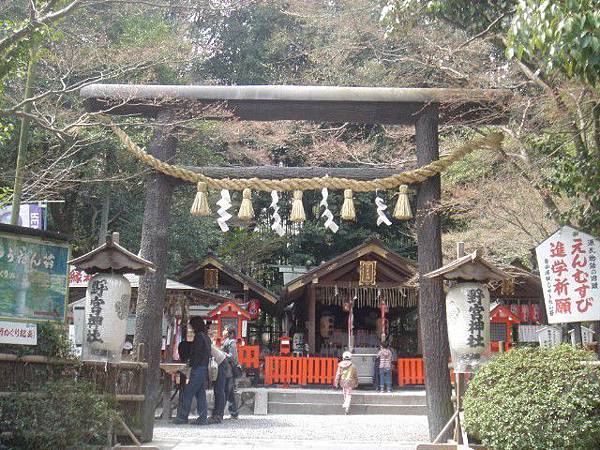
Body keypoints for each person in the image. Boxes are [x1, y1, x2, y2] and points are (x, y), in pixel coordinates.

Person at [173, 317, 211, 425]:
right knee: (200, 394)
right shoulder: (206, 337)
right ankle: (203, 418)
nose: (191, 328)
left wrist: (190, 363)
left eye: (191, 325)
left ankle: (183, 417)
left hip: (198, 368)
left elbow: (197, 354)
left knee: (188, 392)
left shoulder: (199, 337)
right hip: (204, 368)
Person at [209, 340, 232, 424]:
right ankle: (217, 413)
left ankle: (218, 414)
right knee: (219, 390)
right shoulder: (207, 345)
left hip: (221, 364)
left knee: (219, 390)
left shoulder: (205, 346)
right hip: (221, 364)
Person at [221, 327, 239, 419]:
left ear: (231, 333)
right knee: (230, 392)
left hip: (229, 370)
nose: (223, 331)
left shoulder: (232, 343)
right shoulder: (226, 341)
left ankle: (219, 413)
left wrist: (221, 354)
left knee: (226, 391)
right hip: (226, 369)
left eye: (226, 331)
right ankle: (234, 413)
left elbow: (232, 357)